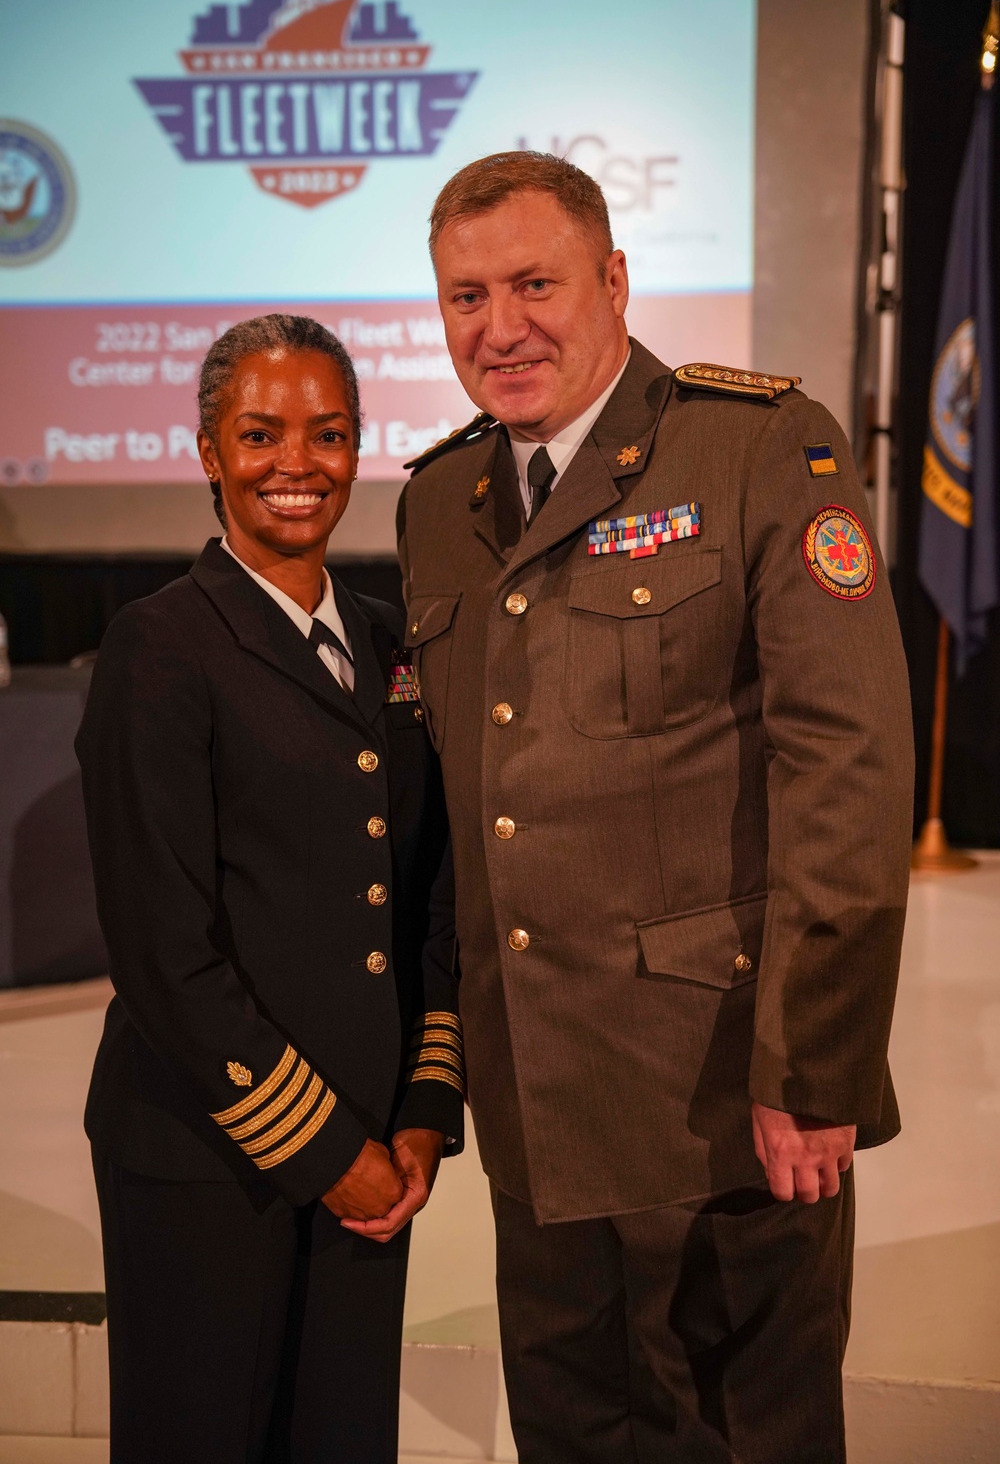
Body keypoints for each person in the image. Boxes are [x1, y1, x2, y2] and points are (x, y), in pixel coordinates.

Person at [397, 153, 913, 1463]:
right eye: (466, 296)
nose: (499, 326)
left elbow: (846, 771)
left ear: (615, 281)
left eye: (533, 284)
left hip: (724, 1101)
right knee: (578, 1431)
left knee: (749, 1433)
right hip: (541, 1117)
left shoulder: (755, 445)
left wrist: (818, 1064)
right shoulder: (435, 505)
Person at [76, 314, 464, 1464]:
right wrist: (329, 1147)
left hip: (373, 1159)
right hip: (209, 1151)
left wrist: (421, 1114)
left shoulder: (393, 645)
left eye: (327, 432)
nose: (295, 462)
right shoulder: (158, 647)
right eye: (258, 433)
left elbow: (430, 894)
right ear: (207, 450)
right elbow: (162, 954)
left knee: (340, 1437)